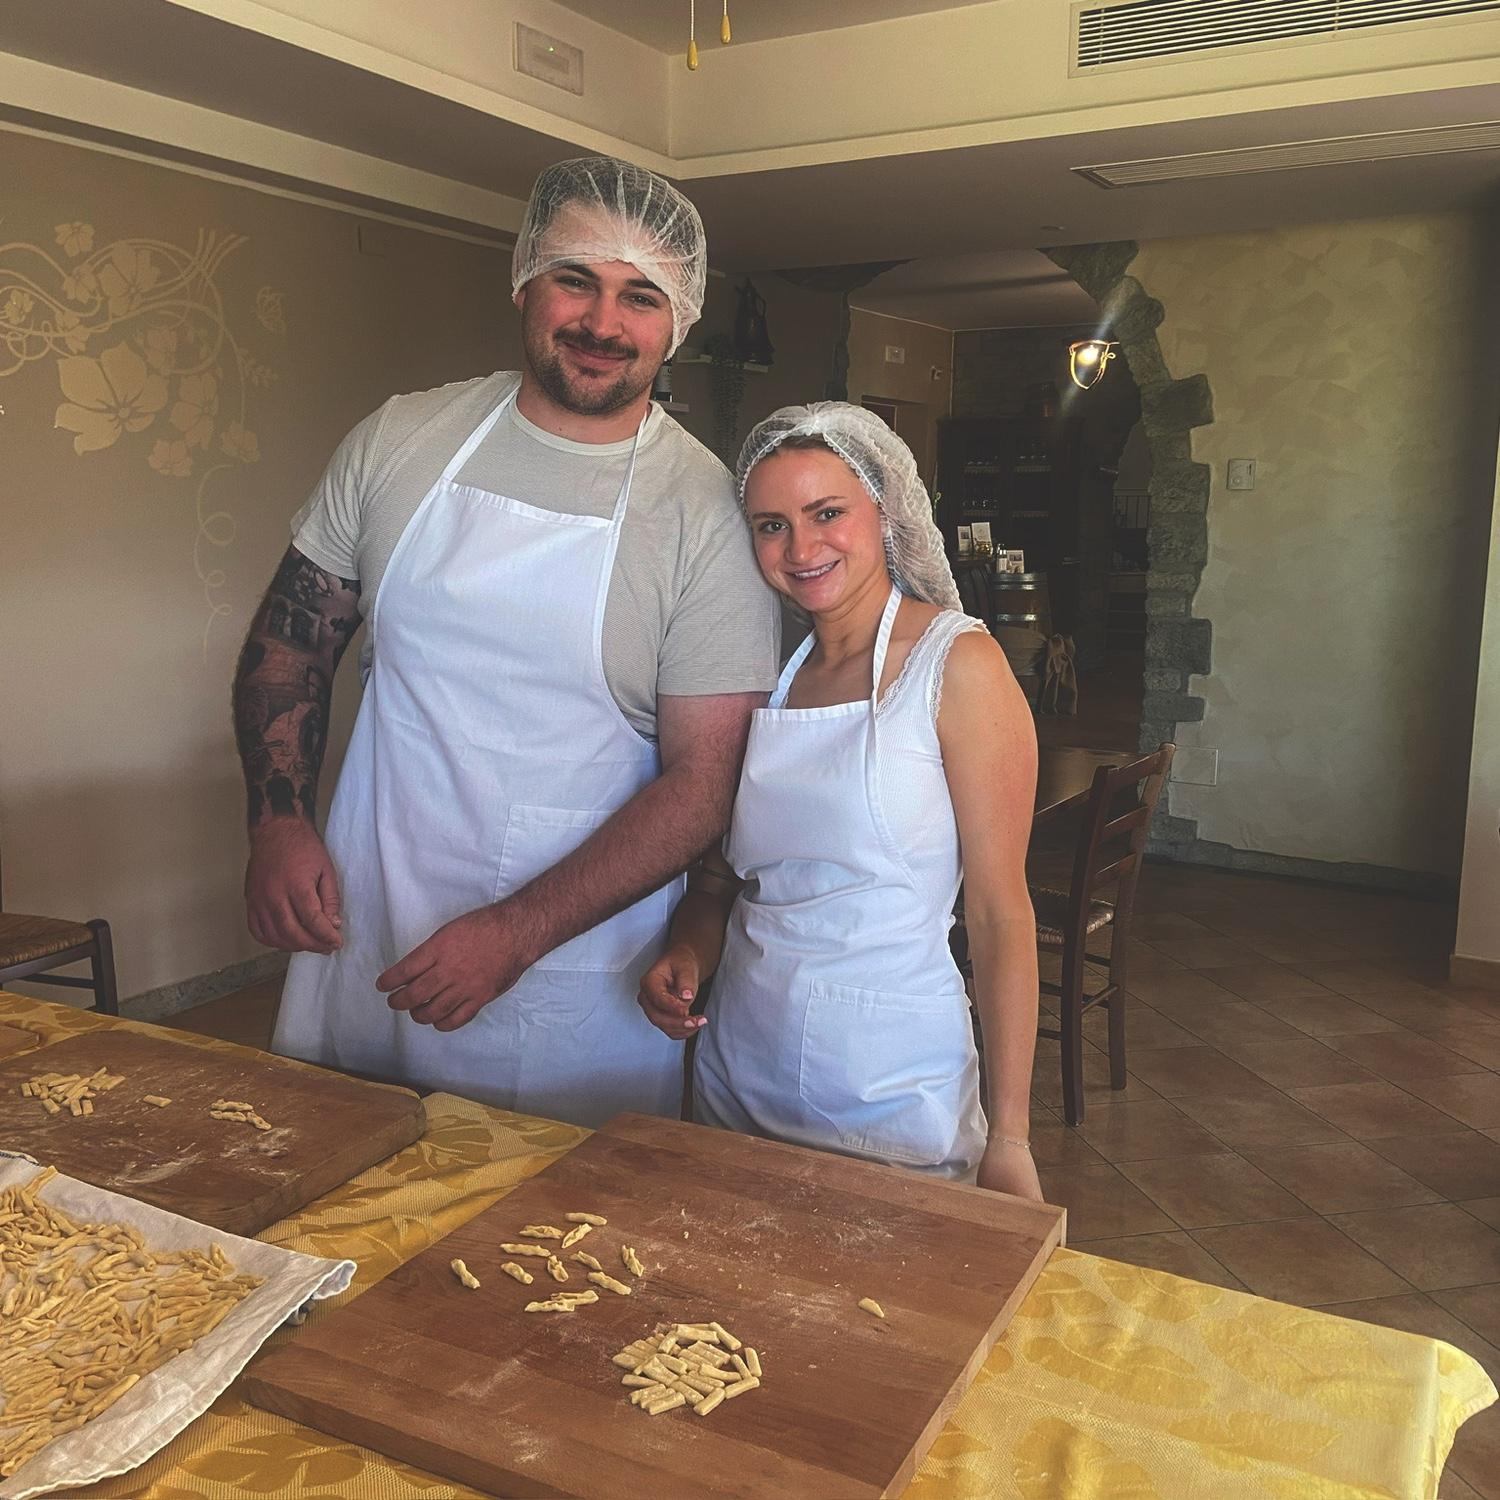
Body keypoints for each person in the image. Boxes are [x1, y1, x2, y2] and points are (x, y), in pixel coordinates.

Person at [232, 156, 779, 1127]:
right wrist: (277, 821)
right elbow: (292, 643)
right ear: (525, 279)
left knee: (548, 1217)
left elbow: (705, 783)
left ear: (678, 322)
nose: (603, 322)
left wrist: (520, 932)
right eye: (576, 279)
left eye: (640, 296)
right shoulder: (401, 440)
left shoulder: (704, 513)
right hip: (368, 922)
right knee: (335, 1172)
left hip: (572, 973)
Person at [637, 403, 1043, 1198]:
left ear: (884, 512)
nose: (801, 548)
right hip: (740, 1076)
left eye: (827, 513)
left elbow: (1002, 916)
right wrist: (687, 954)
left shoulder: (955, 665)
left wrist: (1011, 1136)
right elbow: (722, 882)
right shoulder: (768, 676)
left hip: (893, 1092)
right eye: (772, 525)